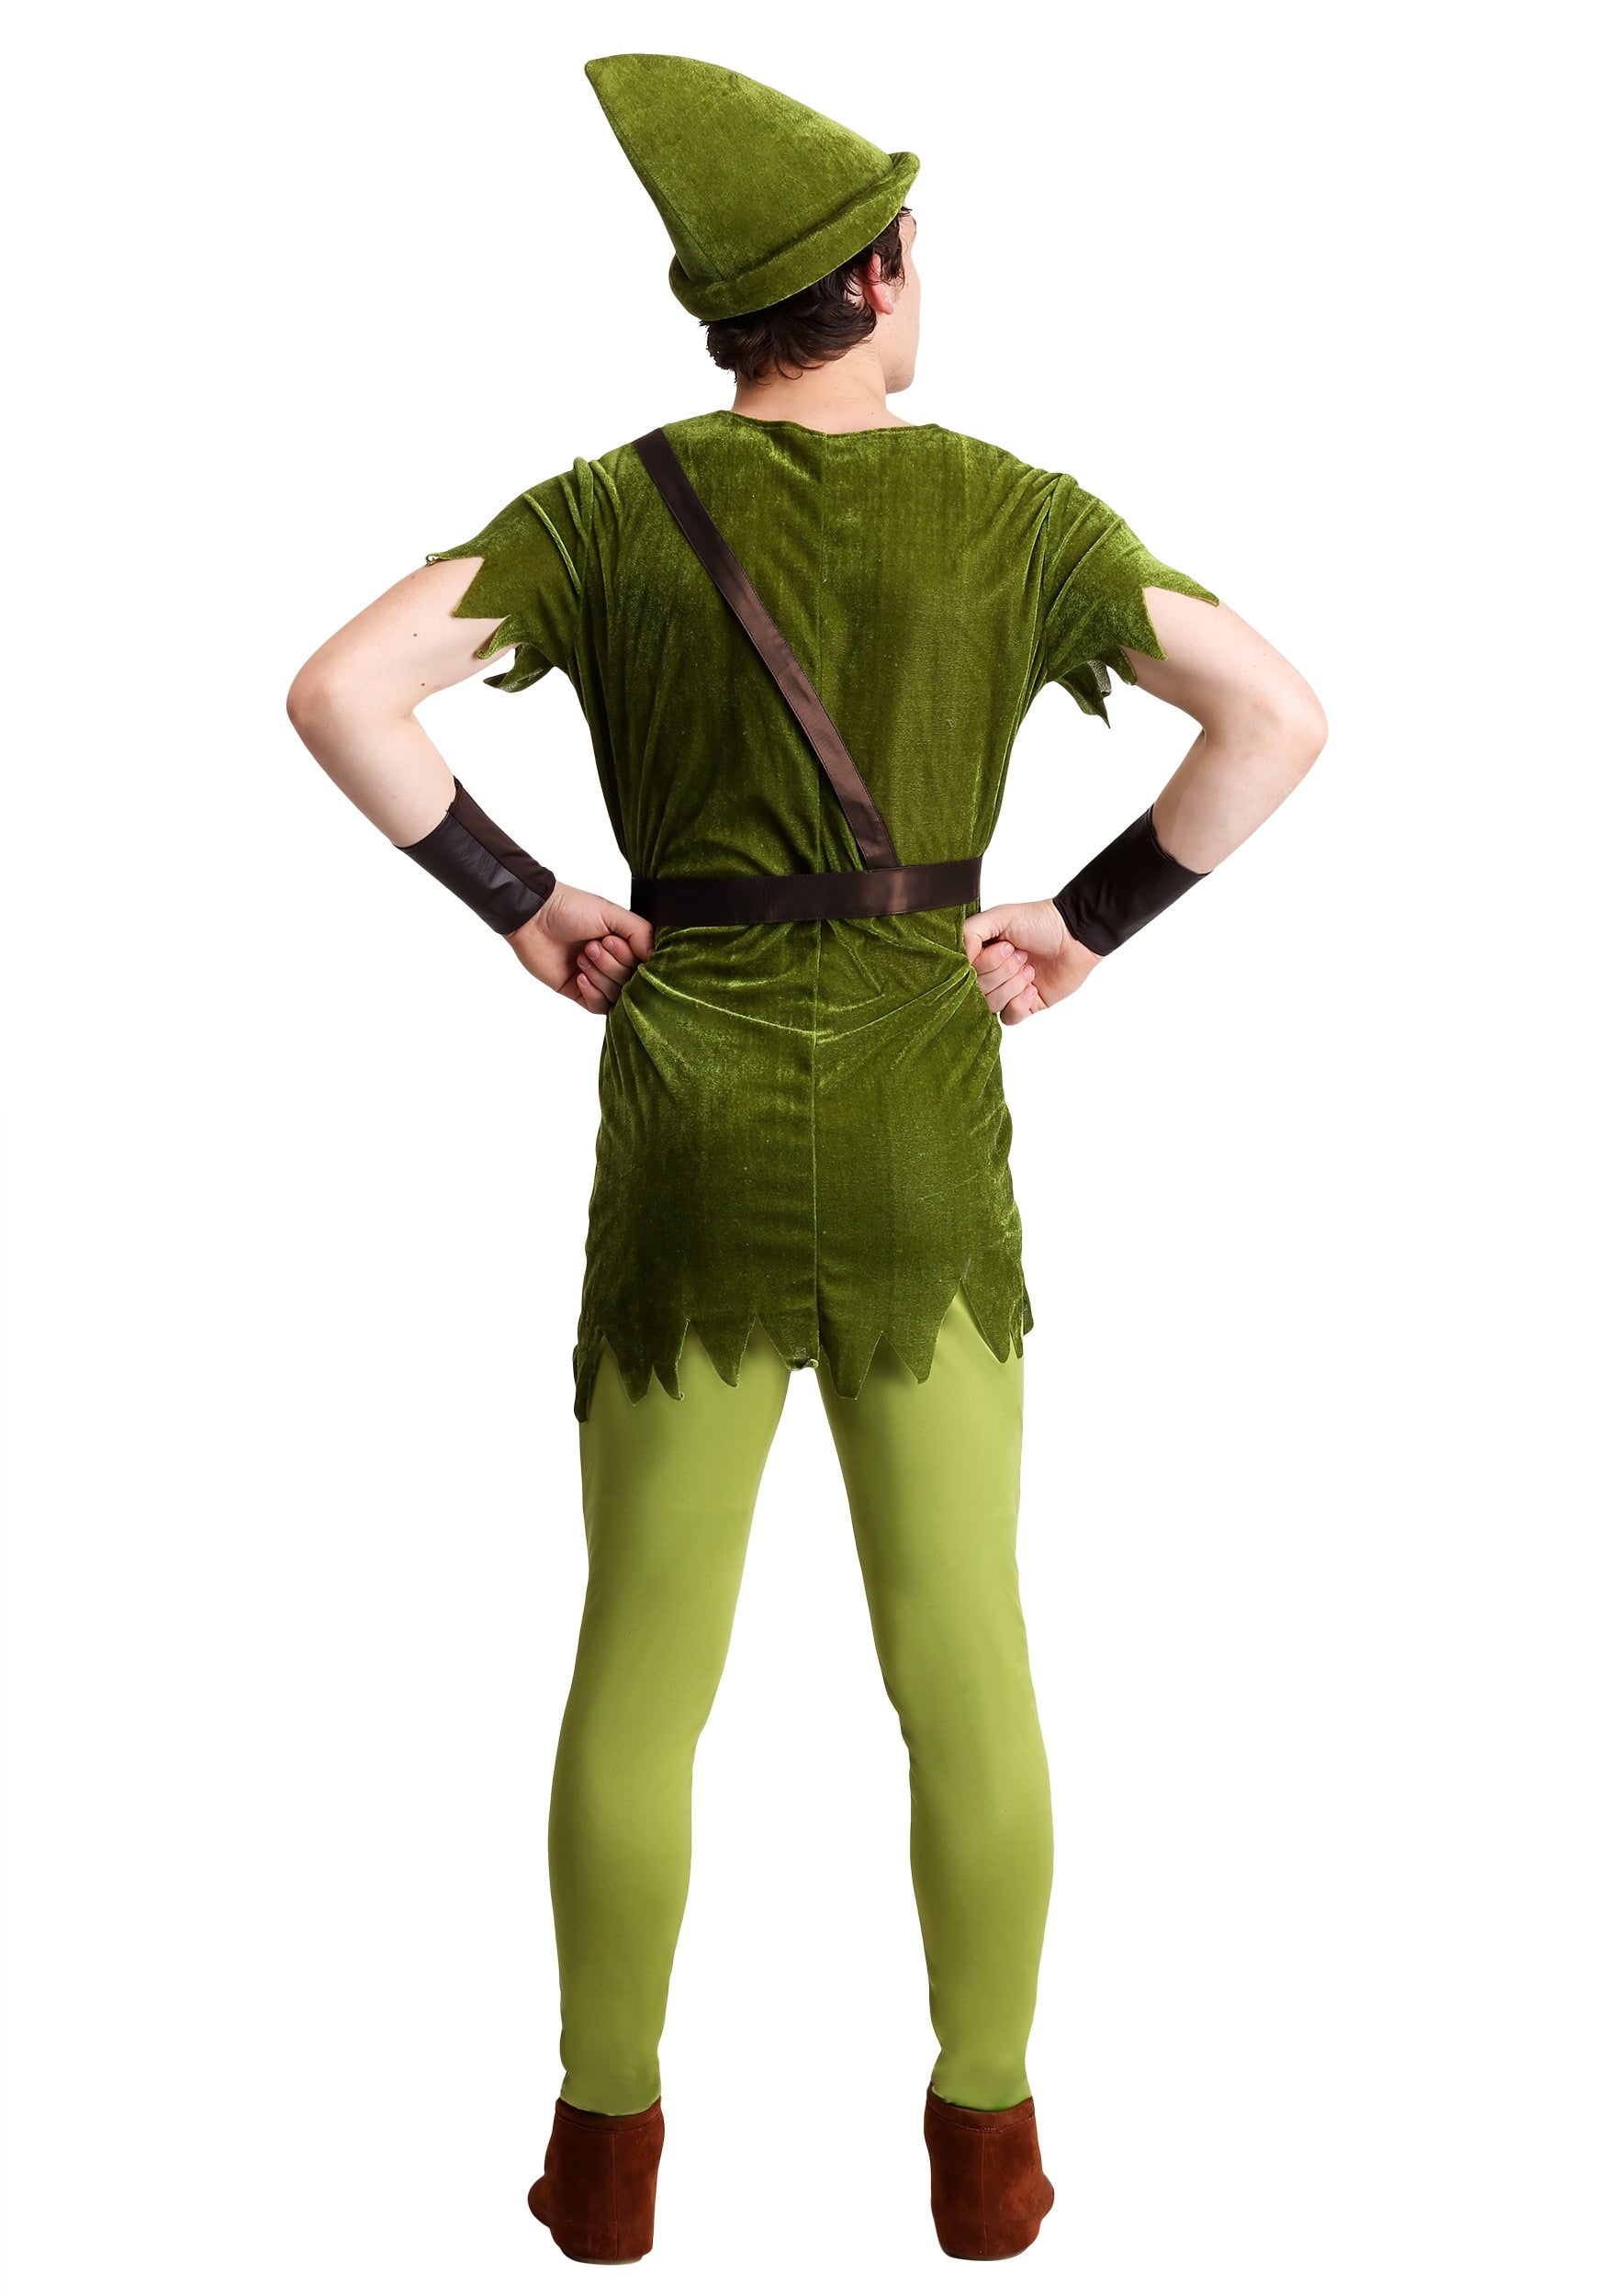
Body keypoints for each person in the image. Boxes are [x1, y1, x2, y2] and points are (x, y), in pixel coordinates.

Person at [286, 51, 1326, 2265]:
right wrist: (1084, 919)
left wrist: (522, 900)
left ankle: (602, 2153)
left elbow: (343, 690)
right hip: (924, 1119)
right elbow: (1275, 714)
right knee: (963, 1654)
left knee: (639, 1663)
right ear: (874, 273)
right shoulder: (1016, 516)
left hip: (685, 1116)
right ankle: (986, 2144)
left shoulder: (606, 513)